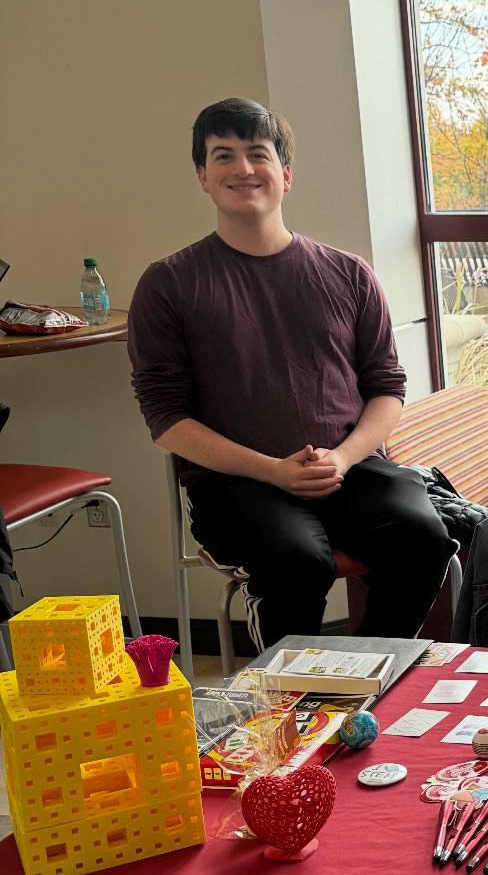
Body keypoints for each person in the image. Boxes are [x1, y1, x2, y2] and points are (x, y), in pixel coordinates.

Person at [128, 98, 454, 648]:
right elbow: (166, 419)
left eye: (258, 154)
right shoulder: (168, 284)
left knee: (425, 537)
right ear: (203, 177)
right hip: (237, 485)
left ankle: (365, 675)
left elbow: (386, 388)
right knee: (298, 561)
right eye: (223, 155)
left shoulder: (348, 274)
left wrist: (344, 456)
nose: (243, 169)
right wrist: (273, 471)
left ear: (285, 174)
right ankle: (292, 707)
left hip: (345, 469)